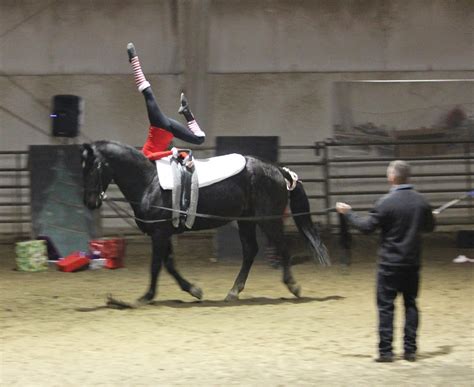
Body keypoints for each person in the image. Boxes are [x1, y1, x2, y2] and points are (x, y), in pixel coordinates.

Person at [336, 160, 435, 363]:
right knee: (411, 305)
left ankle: (386, 351)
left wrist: (348, 214)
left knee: (386, 307)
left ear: (392, 177)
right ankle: (410, 350)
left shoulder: (386, 202)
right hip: (412, 263)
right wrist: (430, 216)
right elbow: (429, 227)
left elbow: (366, 227)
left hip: (390, 264)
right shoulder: (421, 202)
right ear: (408, 177)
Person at [127, 42, 205, 228]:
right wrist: (175, 153)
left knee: (147, 92)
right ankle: (187, 112)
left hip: (160, 125)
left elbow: (154, 155)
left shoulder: (145, 156)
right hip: (169, 128)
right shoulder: (147, 160)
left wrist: (173, 153)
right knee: (200, 138)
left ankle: (133, 59)